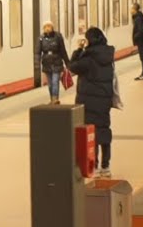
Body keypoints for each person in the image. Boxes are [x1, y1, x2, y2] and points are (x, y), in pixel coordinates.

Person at [69, 27, 116, 177]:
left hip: (89, 101)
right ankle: (106, 166)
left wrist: (78, 50)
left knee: (93, 133)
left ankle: (94, 165)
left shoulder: (88, 59)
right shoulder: (108, 56)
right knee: (104, 130)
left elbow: (72, 67)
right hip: (104, 100)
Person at [38, 20, 70, 104]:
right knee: (50, 84)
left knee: (55, 81)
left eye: (49, 26)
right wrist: (36, 64)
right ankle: (52, 98)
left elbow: (63, 50)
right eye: (45, 27)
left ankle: (55, 98)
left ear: (52, 27)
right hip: (46, 63)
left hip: (57, 62)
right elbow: (37, 52)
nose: (47, 28)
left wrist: (67, 63)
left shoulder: (58, 36)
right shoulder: (41, 38)